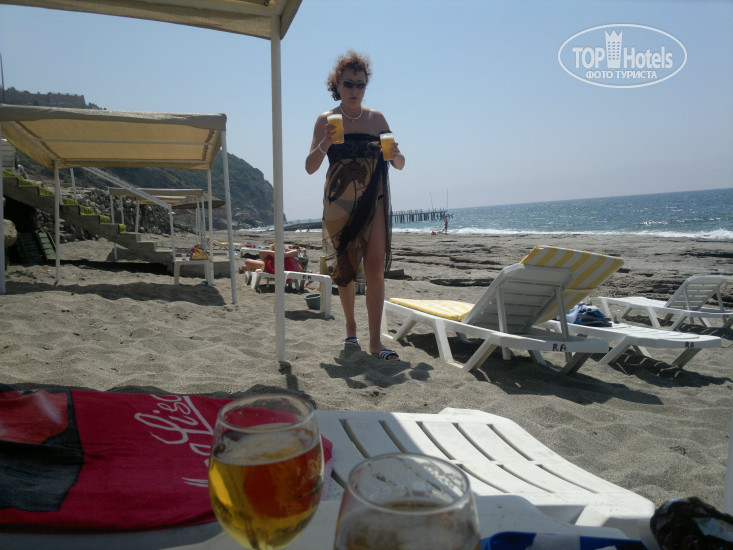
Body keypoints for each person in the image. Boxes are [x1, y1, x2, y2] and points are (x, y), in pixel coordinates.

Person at [305, 51, 405, 360]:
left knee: (375, 268)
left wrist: (396, 155)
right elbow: (310, 166)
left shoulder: (377, 119)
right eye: (348, 83)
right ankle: (351, 329)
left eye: (360, 84)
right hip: (340, 204)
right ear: (337, 85)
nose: (354, 90)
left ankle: (375, 342)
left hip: (375, 201)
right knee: (345, 268)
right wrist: (325, 143)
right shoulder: (326, 119)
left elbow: (399, 163)